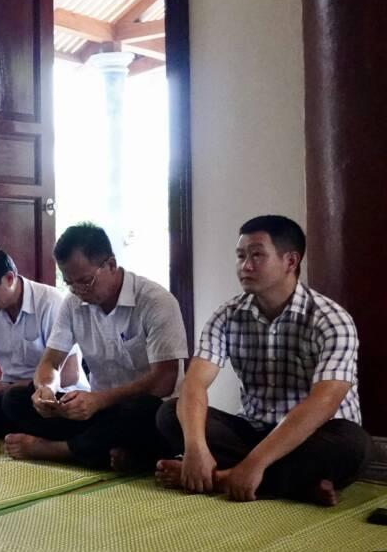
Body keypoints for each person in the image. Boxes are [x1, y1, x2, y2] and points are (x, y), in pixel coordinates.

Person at [155, 216, 371, 506]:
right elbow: (194, 382)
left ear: (290, 261)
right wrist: (195, 448)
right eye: (240, 256)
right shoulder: (227, 315)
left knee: (354, 445)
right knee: (170, 413)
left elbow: (324, 402)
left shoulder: (331, 319)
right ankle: (294, 485)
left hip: (313, 435)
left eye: (257, 255)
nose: (245, 266)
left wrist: (254, 463)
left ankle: (223, 478)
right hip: (253, 431)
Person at [0, 223, 189, 472]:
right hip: (96, 413)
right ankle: (109, 453)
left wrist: (101, 399)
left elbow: (164, 382)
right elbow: (51, 362)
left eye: (85, 281)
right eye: (70, 283)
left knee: (145, 412)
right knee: (14, 399)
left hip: (144, 412)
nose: (78, 290)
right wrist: (46, 389)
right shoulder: (73, 304)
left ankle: (58, 450)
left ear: (111, 265)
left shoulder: (156, 302)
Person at [0, 246, 85, 437]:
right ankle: (25, 429)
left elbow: (70, 375)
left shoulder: (50, 302)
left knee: (14, 400)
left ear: (9, 278)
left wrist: (10, 387)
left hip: (51, 394)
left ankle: (35, 434)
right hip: (9, 395)